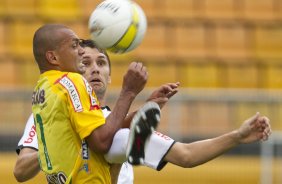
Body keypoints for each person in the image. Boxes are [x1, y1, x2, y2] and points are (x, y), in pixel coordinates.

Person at [14, 38, 272, 183]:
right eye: (85, 62)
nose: (94, 68)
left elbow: (186, 154)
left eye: (101, 63)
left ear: (110, 76)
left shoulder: (117, 131)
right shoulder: (47, 115)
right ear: (73, 72)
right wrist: (61, 144)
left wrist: (237, 136)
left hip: (116, 137)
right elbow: (20, 171)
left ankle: (126, 152)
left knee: (118, 142)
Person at [29, 24, 161, 184]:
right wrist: (128, 92)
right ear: (53, 58)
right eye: (74, 45)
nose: (81, 50)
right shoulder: (71, 82)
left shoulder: (41, 89)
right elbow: (101, 142)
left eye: (101, 63)